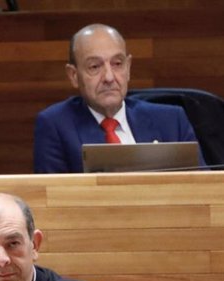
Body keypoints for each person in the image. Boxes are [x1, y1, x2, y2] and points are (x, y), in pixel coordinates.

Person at [34, 24, 201, 173]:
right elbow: (53, 199)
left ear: (128, 68)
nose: (108, 77)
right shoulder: (56, 125)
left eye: (117, 64)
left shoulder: (172, 121)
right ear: (74, 75)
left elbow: (205, 188)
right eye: (94, 66)